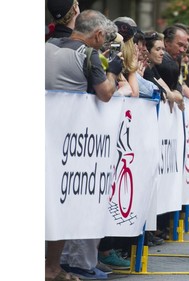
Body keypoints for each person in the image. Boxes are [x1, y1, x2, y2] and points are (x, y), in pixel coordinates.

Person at [45, 9, 123, 280]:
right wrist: (113, 71)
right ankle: (52, 267)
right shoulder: (88, 54)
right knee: (62, 202)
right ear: (98, 33)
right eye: (103, 38)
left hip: (45, 133)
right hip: (71, 142)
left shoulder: (47, 46)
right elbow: (105, 93)